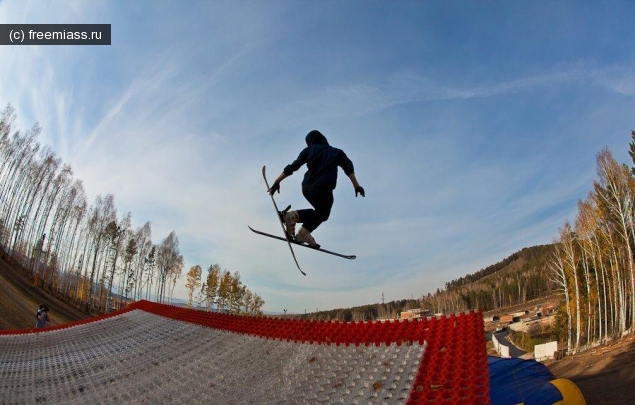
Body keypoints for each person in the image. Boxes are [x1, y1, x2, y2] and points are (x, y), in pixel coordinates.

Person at [268, 130, 365, 248]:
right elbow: (348, 167)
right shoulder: (336, 152)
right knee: (323, 214)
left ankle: (302, 229)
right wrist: (356, 185)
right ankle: (298, 225)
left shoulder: (308, 150)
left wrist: (277, 181)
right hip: (323, 188)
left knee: (319, 213)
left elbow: (293, 166)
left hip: (306, 188)